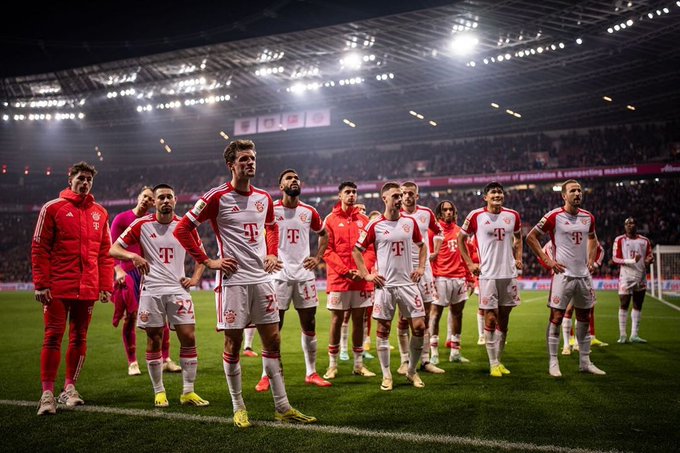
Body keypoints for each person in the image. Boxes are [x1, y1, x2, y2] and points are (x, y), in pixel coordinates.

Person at [173, 139, 315, 428]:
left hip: (262, 280)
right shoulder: (216, 197)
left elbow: (272, 227)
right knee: (233, 343)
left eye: (252, 158)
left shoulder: (264, 197)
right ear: (231, 165)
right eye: (244, 159)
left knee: (273, 340)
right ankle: (239, 406)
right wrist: (208, 260)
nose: (250, 163)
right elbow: (182, 228)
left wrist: (272, 252)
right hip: (233, 281)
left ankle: (282, 406)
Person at [110, 184, 209, 407]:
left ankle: (188, 392)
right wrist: (132, 257)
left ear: (175, 201)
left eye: (169, 197)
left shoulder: (186, 226)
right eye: (161, 197)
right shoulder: (141, 224)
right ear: (154, 202)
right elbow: (113, 248)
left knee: (189, 337)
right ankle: (159, 391)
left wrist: (194, 279)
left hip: (178, 290)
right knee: (154, 339)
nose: (165, 201)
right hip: (152, 291)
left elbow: (201, 257)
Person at [32, 161, 114, 415]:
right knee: (53, 337)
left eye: (89, 179)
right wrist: (42, 283)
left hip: (87, 287)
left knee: (79, 338)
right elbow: (39, 247)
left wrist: (105, 285)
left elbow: (105, 253)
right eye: (81, 178)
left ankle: (69, 388)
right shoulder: (52, 208)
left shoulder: (100, 212)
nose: (85, 182)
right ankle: (47, 394)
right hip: (57, 286)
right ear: (71, 180)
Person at [254, 169, 331, 392]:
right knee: (273, 327)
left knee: (310, 324)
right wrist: (265, 257)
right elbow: (256, 236)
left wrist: (318, 258)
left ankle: (311, 372)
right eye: (288, 178)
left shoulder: (309, 211)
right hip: (278, 275)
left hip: (304, 275)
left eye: (296, 178)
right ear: (281, 186)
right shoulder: (271, 210)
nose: (294, 181)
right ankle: (266, 375)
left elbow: (323, 234)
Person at [526, 179, 606, 377]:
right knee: (556, 317)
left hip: (583, 276)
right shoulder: (554, 216)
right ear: (564, 195)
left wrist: (591, 260)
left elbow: (593, 239)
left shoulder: (588, 217)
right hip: (563, 276)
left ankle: (585, 362)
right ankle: (553, 362)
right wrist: (547, 260)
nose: (577, 193)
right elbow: (531, 237)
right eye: (573, 191)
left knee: (585, 318)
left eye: (579, 190)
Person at [353, 182, 428, 391]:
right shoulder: (375, 225)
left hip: (407, 283)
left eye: (401, 195)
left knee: (420, 327)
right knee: (383, 329)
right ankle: (386, 376)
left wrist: (421, 267)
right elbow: (356, 250)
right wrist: (367, 274)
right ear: (385, 199)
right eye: (396, 195)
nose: (400, 198)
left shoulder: (410, 223)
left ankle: (411, 371)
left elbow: (422, 247)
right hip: (385, 285)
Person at [110, 186, 182, 376]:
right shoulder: (122, 219)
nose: (146, 201)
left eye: (150, 199)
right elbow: (113, 247)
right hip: (127, 272)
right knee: (131, 317)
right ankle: (132, 361)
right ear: (139, 196)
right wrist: (117, 269)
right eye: (144, 197)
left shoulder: (150, 223)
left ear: (153, 203)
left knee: (162, 315)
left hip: (149, 272)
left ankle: (165, 358)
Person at [458, 181, 522, 378]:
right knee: (491, 317)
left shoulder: (513, 216)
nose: (497, 195)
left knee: (504, 320)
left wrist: (518, 258)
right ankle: (493, 363)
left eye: (500, 192)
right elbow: (461, 239)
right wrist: (469, 264)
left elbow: (519, 238)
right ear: (485, 197)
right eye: (493, 192)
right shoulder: (476, 216)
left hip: (508, 274)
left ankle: (499, 361)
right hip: (487, 275)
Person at [322, 181, 377, 380]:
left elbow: (370, 250)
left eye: (354, 192)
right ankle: (333, 365)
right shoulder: (330, 219)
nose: (351, 195)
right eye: (348, 192)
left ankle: (358, 365)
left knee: (359, 321)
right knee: (336, 320)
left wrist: (361, 271)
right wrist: (346, 271)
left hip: (360, 280)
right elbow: (326, 250)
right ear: (340, 196)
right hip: (339, 279)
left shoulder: (364, 220)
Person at [398, 182, 444, 374]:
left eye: (411, 193)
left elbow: (439, 231)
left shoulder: (426, 213)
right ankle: (404, 360)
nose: (407, 196)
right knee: (403, 317)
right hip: (403, 270)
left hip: (423, 269)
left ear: (417, 196)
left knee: (424, 316)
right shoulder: (395, 214)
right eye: (404, 193)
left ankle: (425, 361)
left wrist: (435, 252)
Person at [429, 200, 473, 364]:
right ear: (439, 214)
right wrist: (432, 278)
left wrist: (470, 277)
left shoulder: (461, 232)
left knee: (457, 314)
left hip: (459, 278)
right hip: (440, 278)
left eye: (451, 210)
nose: (448, 212)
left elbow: (466, 254)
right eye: (445, 210)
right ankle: (433, 351)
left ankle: (455, 351)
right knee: (435, 315)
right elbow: (429, 256)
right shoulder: (434, 231)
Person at [554, 243, 609, 355]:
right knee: (568, 310)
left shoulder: (587, 236)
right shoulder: (566, 236)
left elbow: (599, 249)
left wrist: (595, 264)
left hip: (584, 278)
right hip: (568, 277)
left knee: (584, 311)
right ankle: (566, 345)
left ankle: (578, 344)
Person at [612, 217, 653, 344]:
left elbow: (649, 256)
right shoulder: (619, 240)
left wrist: (649, 260)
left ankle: (634, 335)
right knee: (624, 304)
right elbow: (615, 259)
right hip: (626, 277)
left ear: (636, 225)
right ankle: (623, 335)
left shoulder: (644, 241)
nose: (630, 225)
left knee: (638, 305)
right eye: (628, 223)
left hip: (640, 276)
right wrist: (631, 261)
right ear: (625, 226)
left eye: (633, 223)